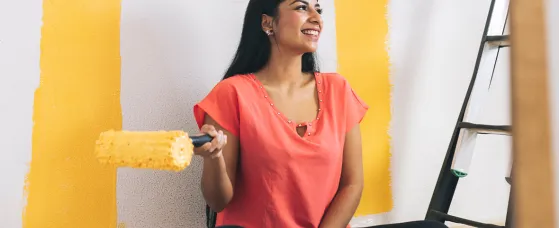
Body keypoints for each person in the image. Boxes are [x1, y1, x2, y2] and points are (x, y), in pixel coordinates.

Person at [192, 0, 448, 228]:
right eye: (302, 7)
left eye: (319, 9)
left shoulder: (338, 90)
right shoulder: (232, 93)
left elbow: (352, 184)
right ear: (267, 22)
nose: (316, 17)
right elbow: (218, 202)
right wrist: (213, 159)